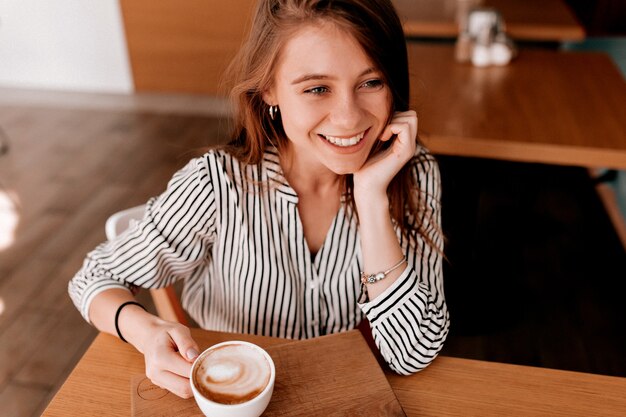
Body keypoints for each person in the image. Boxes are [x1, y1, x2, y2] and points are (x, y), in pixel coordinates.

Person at [68, 0, 449, 399]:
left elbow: (411, 354)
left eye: (372, 83)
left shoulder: (413, 172)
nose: (349, 118)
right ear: (269, 88)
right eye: (317, 88)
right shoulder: (216, 184)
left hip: (338, 398)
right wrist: (146, 332)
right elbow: (94, 278)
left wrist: (372, 200)